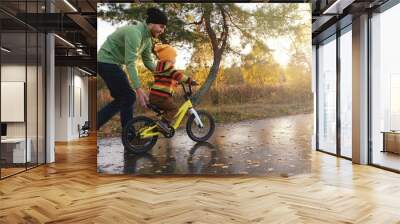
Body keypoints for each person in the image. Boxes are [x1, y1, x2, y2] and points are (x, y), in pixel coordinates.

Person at [97, 7, 167, 131]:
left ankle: (95, 125)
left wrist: (164, 73)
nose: (163, 30)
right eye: (161, 26)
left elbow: (148, 62)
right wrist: (138, 89)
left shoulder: (147, 40)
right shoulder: (135, 33)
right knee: (129, 96)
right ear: (151, 24)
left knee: (123, 98)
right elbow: (130, 62)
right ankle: (129, 135)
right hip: (105, 61)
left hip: (112, 64)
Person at [149, 44, 196, 134]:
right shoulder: (170, 69)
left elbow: (164, 80)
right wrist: (190, 81)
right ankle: (163, 124)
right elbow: (179, 76)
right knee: (174, 109)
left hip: (153, 96)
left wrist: (175, 82)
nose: (175, 60)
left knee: (168, 108)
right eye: (174, 57)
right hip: (161, 97)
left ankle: (162, 124)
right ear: (169, 58)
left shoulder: (159, 69)